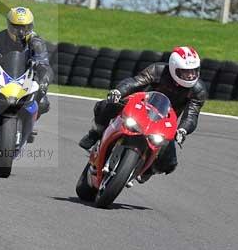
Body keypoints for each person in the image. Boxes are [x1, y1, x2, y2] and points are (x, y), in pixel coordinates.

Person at [77, 46, 207, 183]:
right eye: (186, 72)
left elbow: (192, 115)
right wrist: (119, 92)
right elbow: (135, 82)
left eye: (194, 71)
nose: (191, 75)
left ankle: (148, 170)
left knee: (170, 162)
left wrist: (183, 130)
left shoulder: (198, 90)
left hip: (164, 121)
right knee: (104, 106)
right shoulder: (158, 70)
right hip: (140, 105)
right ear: (174, 68)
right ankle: (96, 133)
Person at [0, 6, 53, 135]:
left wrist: (44, 79)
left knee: (43, 102)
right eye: (17, 27)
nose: (21, 32)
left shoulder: (37, 42)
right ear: (9, 25)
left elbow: (43, 63)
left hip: (26, 75)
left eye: (25, 27)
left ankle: (30, 123)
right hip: (2, 72)